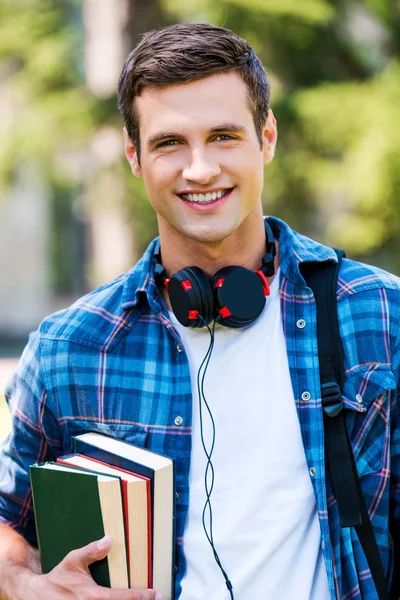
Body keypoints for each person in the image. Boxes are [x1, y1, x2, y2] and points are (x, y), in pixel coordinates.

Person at [0, 22, 398, 600]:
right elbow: (8, 518)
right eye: (169, 143)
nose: (200, 169)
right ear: (135, 156)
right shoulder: (71, 347)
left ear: (266, 139)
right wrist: (23, 583)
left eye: (223, 136)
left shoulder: (379, 314)